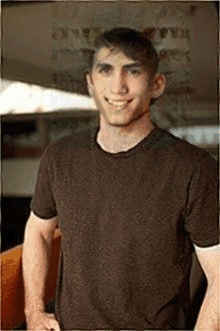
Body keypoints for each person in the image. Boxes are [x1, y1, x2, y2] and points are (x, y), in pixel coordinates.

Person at [22, 28, 219, 330]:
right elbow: (38, 228)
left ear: (156, 84)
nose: (118, 86)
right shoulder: (59, 157)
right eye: (105, 70)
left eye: (133, 71)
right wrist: (34, 311)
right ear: (90, 81)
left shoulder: (194, 168)